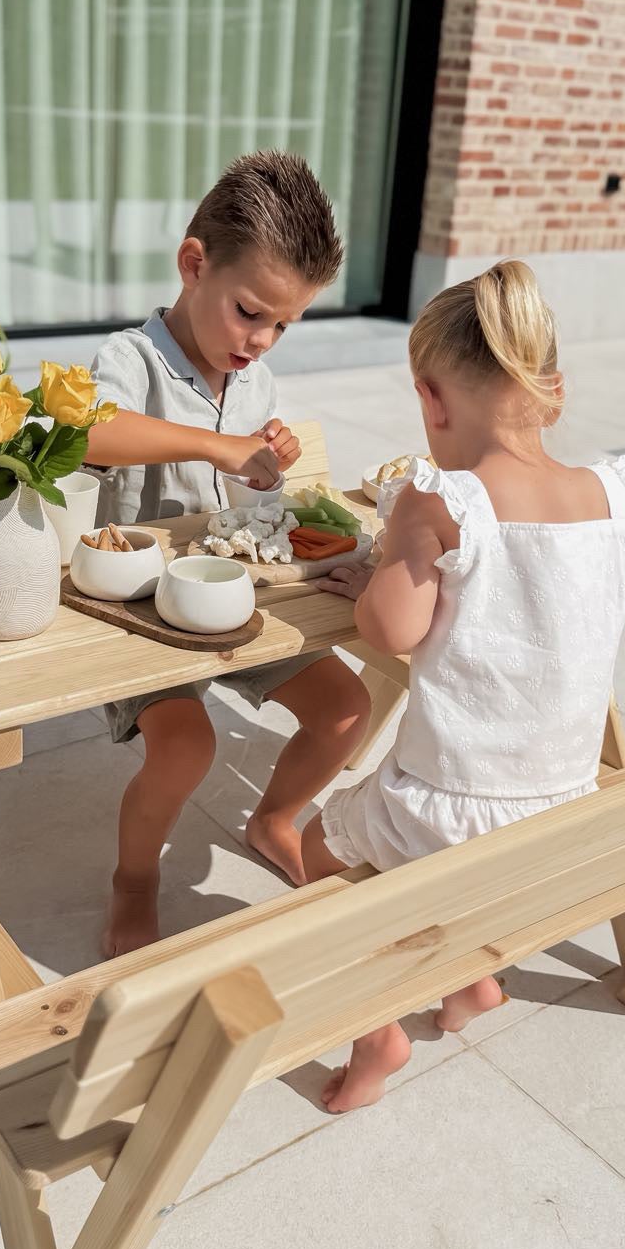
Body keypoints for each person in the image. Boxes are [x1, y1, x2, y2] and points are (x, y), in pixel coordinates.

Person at [302, 260, 625, 1111]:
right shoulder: (614, 497)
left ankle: (378, 1037)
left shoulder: (442, 501)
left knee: (319, 852)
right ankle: (472, 986)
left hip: (446, 810)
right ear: (553, 389)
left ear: (432, 400)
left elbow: (389, 630)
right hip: (565, 809)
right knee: (400, 842)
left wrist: (387, 562)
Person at [84, 151, 371, 955]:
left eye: (284, 325)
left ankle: (274, 818)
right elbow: (91, 432)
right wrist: (217, 445)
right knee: (188, 744)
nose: (262, 340)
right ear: (193, 263)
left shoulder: (255, 382)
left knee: (349, 708)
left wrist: (264, 458)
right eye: (250, 312)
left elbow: (251, 505)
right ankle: (133, 879)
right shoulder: (129, 360)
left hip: (231, 596)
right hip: (142, 610)